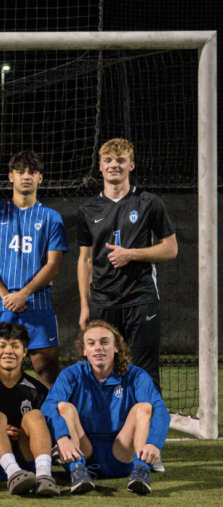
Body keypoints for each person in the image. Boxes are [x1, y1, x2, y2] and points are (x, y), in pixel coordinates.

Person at [76, 138, 177, 388]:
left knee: (144, 373)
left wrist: (131, 254)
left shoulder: (149, 202)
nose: (114, 165)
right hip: (103, 303)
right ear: (100, 166)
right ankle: (109, 426)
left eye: (121, 161)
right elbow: (86, 259)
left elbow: (171, 249)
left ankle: (149, 427)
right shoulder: (88, 210)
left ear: (131, 165)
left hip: (140, 299)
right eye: (108, 161)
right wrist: (84, 306)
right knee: (102, 371)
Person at [42, 320, 170, 495]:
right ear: (84, 351)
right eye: (91, 343)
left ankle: (141, 471)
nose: (98, 348)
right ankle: (77, 471)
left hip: (121, 455)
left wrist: (154, 443)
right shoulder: (71, 374)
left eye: (104, 342)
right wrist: (62, 438)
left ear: (116, 347)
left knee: (144, 408)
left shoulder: (135, 375)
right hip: (83, 452)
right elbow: (48, 406)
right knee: (63, 407)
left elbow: (160, 410)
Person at [0, 150, 67, 387]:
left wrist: (23, 294)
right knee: (0, 373)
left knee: (47, 372)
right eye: (20, 172)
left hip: (37, 303)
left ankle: (52, 422)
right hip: (1, 303)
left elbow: (54, 265)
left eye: (32, 172)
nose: (26, 176)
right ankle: (1, 423)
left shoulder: (51, 218)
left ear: (40, 178)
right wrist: (7, 296)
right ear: (10, 177)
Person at [0, 322, 59, 497]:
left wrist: (21, 432)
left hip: (28, 457)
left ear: (25, 351)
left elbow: (49, 428)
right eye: (2, 346)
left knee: (34, 415)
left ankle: (44, 475)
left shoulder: (37, 390)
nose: (8, 352)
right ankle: (13, 473)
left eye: (15, 346)